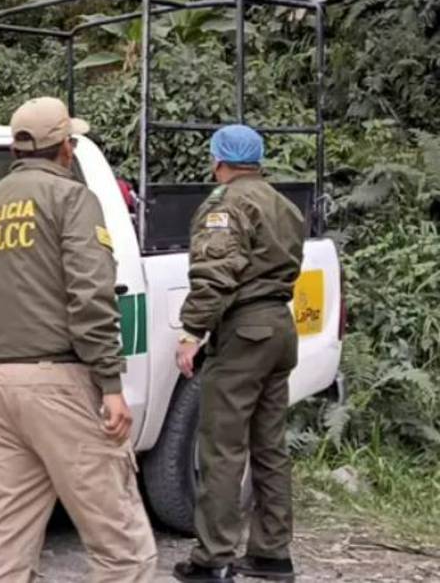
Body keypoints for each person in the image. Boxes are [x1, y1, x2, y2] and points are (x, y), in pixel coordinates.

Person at [0, 97, 156, 583]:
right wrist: (110, 384)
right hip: (59, 383)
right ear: (65, 147)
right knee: (121, 543)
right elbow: (91, 295)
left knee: (3, 539)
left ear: (15, 149)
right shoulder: (71, 200)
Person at [173, 125, 304, 583]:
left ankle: (214, 557)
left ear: (218, 160)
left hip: (244, 331)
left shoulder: (226, 204)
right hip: (280, 329)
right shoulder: (284, 205)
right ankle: (271, 552)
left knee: (222, 446)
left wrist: (192, 331)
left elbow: (215, 272)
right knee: (270, 445)